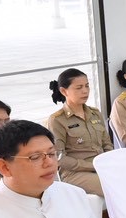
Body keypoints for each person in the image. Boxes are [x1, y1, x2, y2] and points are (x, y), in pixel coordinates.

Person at [47, 68, 114, 197]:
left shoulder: (95, 113)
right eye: (78, 87)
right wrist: (92, 166)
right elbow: (59, 158)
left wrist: (109, 162)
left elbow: (107, 144)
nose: (85, 91)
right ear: (63, 91)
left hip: (102, 167)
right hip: (74, 173)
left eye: (87, 86)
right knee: (113, 186)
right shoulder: (57, 120)